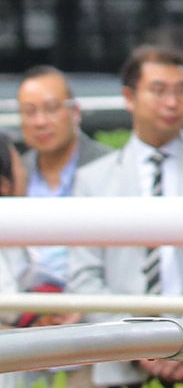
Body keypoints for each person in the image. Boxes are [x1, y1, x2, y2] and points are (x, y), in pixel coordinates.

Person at [69, 46, 183, 388]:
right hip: (123, 361)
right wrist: (136, 343)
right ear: (128, 97)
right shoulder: (94, 180)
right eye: (159, 90)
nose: (172, 102)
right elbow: (83, 275)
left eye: (181, 91)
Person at [12, 65, 112, 291]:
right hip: (26, 312)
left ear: (75, 112)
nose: (40, 122)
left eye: (51, 108)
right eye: (29, 111)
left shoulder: (110, 168)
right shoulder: (15, 175)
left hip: (97, 307)